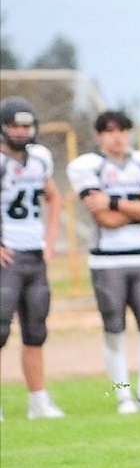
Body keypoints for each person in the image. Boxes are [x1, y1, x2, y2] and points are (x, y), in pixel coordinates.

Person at [65, 111, 140, 415]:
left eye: (122, 130)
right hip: (106, 262)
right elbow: (105, 220)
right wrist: (132, 207)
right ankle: (122, 395)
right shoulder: (87, 166)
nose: (117, 137)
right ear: (99, 136)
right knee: (114, 329)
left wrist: (113, 200)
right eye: (110, 131)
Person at [0, 96, 65, 420]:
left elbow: (54, 198)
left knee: (35, 330)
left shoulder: (39, 158)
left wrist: (49, 240)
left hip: (34, 254)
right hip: (7, 257)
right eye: (14, 126)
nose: (21, 132)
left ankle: (38, 400)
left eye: (26, 125)